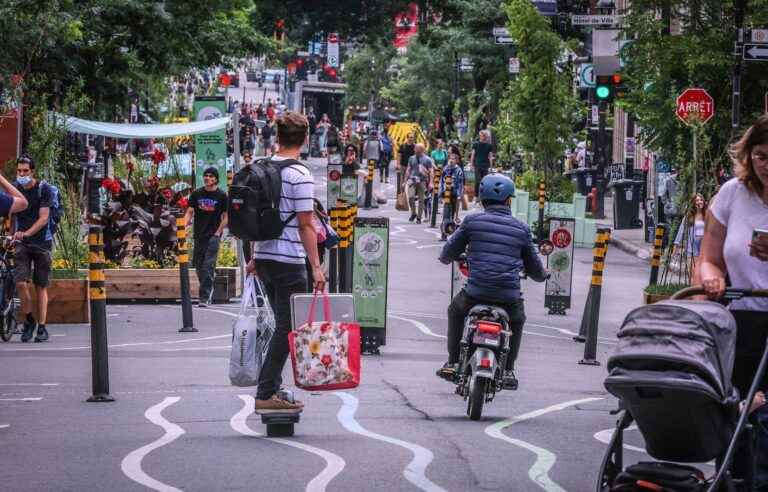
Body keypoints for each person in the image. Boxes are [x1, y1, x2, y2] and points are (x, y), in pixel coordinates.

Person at [697, 115, 768, 485]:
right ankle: (732, 478)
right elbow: (709, 256)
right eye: (760, 156)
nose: (767, 165)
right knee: (733, 408)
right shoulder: (732, 193)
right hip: (740, 318)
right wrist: (711, 276)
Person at [246, 111, 325, 413]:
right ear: (305, 138)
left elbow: (256, 217)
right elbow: (307, 225)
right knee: (287, 327)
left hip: (265, 258)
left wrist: (254, 256)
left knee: (278, 326)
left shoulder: (261, 168)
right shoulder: (300, 175)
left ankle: (274, 387)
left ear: (277, 137)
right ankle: (266, 392)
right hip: (290, 260)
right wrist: (316, 266)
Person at [437, 174, 548, 389]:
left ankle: (452, 361)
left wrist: (446, 258)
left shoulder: (471, 221)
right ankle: (508, 369)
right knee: (517, 319)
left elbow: (448, 251)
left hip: (475, 293)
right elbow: (535, 268)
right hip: (508, 296)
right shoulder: (522, 229)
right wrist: (543, 274)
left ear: (481, 198)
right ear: (509, 200)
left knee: (455, 310)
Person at [12, 156, 55, 343]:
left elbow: (44, 218)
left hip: (41, 243)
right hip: (22, 242)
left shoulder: (43, 189)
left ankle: (42, 327)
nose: (22, 174)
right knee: (20, 282)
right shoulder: (16, 188)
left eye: (25, 171)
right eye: (19, 171)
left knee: (40, 285)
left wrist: (27, 233)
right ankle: (29, 319)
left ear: (32, 172)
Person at [185, 167, 228, 307]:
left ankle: (204, 297)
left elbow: (226, 217)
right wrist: (183, 226)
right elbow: (190, 212)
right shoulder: (197, 194)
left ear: (216, 179)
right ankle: (208, 284)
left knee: (208, 265)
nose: (207, 178)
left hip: (213, 236)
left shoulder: (222, 196)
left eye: (210, 176)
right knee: (198, 265)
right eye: (205, 175)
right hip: (198, 235)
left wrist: (218, 232)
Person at [673, 193, 707, 270]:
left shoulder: (707, 215)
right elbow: (681, 231)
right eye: (697, 200)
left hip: (703, 249)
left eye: (701, 200)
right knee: (692, 274)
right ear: (693, 203)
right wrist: (676, 245)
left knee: (701, 275)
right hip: (692, 249)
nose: (699, 202)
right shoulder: (689, 216)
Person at [404, 143, 434, 224]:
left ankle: (419, 218)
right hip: (412, 180)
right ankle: (413, 213)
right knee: (410, 197)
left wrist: (431, 182)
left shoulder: (427, 159)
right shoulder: (411, 158)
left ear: (421, 150)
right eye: (415, 148)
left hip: (422, 181)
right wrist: (405, 181)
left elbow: (431, 171)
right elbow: (408, 169)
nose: (415, 150)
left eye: (417, 149)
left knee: (421, 200)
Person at [470, 130, 495, 202]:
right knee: (478, 180)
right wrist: (471, 165)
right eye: (482, 135)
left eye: (484, 135)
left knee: (484, 181)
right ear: (480, 136)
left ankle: (482, 197)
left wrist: (491, 167)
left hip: (485, 166)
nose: (483, 137)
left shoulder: (489, 146)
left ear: (486, 137)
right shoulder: (476, 144)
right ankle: (476, 196)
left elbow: (490, 156)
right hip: (477, 165)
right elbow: (473, 155)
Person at [440, 152, 465, 223]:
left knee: (456, 202)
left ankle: (456, 216)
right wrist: (441, 190)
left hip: (455, 190)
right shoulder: (445, 168)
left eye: (453, 159)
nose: (451, 160)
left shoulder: (458, 170)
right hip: (447, 190)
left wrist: (459, 194)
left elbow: (460, 183)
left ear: (456, 161)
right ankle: (445, 219)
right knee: (446, 205)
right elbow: (441, 180)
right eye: (450, 159)